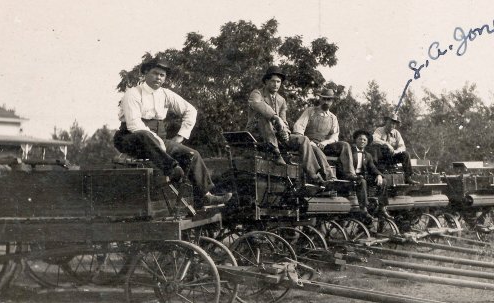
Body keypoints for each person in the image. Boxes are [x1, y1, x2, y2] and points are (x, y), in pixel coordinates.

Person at [113, 58, 232, 208]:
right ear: (145, 73)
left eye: (162, 75)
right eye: (155, 73)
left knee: (192, 155)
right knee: (145, 135)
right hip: (130, 138)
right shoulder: (133, 94)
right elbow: (134, 124)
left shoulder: (166, 94)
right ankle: (172, 170)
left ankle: (204, 197)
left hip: (156, 142)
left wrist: (180, 136)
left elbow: (190, 111)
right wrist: (158, 141)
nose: (159, 78)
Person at [246, 66, 334, 184]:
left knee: (303, 140)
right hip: (258, 134)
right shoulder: (257, 93)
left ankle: (314, 176)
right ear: (266, 81)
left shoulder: (281, 100)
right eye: (273, 81)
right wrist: (275, 117)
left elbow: (284, 121)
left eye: (278, 82)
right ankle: (275, 153)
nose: (276, 84)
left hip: (276, 136)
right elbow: (258, 105)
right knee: (265, 117)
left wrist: (286, 132)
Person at [292, 89, 357, 180]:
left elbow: (334, 135)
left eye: (329, 100)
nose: (326, 102)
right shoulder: (310, 111)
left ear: (332, 101)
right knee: (317, 150)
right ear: (320, 99)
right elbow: (299, 126)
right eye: (324, 99)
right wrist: (307, 142)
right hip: (309, 145)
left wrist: (325, 142)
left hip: (324, 145)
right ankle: (330, 177)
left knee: (345, 145)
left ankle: (350, 174)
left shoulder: (333, 117)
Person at [351, 130, 392, 220]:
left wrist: (379, 175)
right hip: (351, 177)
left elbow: (373, 168)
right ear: (356, 140)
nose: (362, 141)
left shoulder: (368, 155)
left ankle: (382, 207)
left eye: (364, 140)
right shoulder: (350, 152)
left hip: (362, 177)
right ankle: (364, 209)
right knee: (362, 181)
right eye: (360, 139)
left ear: (367, 143)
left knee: (384, 181)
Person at [371, 113, 419, 185]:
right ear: (386, 122)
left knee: (405, 154)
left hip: (392, 157)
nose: (392, 125)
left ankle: (408, 177)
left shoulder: (396, 133)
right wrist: (387, 144)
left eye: (394, 124)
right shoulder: (379, 130)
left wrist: (396, 151)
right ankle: (379, 174)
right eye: (390, 123)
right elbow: (374, 139)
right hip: (381, 158)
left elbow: (402, 146)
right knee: (383, 147)